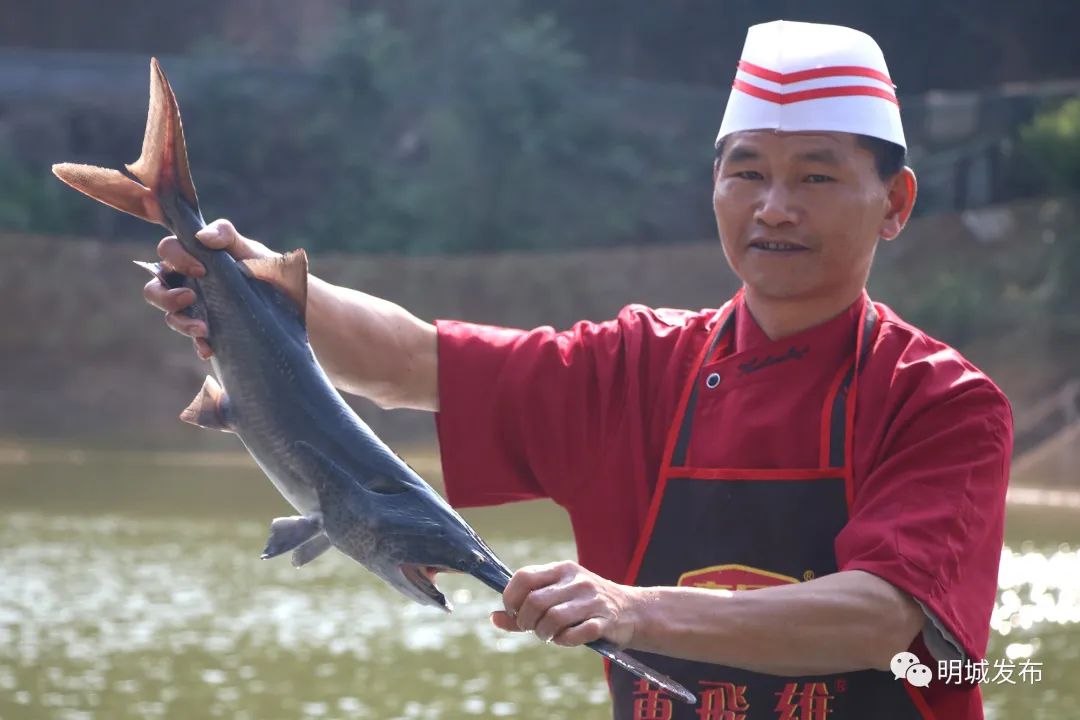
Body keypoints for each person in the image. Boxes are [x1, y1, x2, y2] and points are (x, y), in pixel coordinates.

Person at [143, 20, 1011, 720]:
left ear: (895, 204)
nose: (773, 206)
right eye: (747, 172)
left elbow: (885, 617)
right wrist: (248, 281)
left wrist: (633, 609)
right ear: (713, 185)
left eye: (815, 176)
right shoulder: (636, 367)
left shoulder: (941, 400)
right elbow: (411, 360)